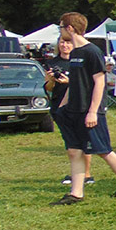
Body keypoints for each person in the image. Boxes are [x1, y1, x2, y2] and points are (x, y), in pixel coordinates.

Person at [51, 13, 116, 204]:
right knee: (74, 151)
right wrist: (62, 106)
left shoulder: (92, 52)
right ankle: (76, 193)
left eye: (61, 27)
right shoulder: (74, 53)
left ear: (70, 28)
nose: (60, 31)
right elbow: (74, 83)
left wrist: (92, 111)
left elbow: (99, 82)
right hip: (72, 110)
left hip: (89, 111)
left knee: (103, 150)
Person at [44, 35, 93, 187]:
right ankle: (76, 173)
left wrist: (69, 81)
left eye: (68, 42)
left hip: (79, 104)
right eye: (62, 42)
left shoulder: (80, 60)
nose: (65, 45)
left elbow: (88, 83)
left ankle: (87, 173)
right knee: (71, 142)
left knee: (85, 139)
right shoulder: (52, 63)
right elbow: (48, 88)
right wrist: (52, 80)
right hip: (60, 105)